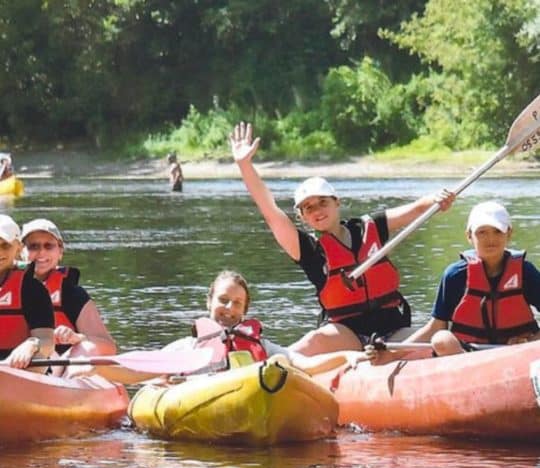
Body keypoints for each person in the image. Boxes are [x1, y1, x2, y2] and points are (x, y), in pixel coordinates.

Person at [230, 121, 456, 356]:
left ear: (337, 202)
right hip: (345, 337)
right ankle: (264, 359)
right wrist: (245, 165)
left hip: (392, 331)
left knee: (440, 339)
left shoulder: (371, 226)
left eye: (323, 202)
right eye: (308, 208)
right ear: (303, 217)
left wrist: (436, 200)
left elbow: (416, 209)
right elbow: (270, 211)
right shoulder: (309, 250)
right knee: (313, 341)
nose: (317, 211)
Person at [384, 201, 540, 360]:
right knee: (441, 339)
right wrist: (393, 354)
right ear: (469, 236)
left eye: (497, 232)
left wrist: (531, 340)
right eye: (482, 232)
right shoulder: (455, 275)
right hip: (468, 353)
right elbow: (436, 327)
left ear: (509, 234)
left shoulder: (526, 272)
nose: (490, 239)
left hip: (518, 351)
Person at [162, 269, 368, 375]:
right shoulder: (184, 348)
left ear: (245, 310)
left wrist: (347, 356)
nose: (230, 308)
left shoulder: (263, 347)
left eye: (237, 303)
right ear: (209, 301)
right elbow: (149, 378)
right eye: (223, 300)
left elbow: (305, 364)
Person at [20, 218, 117, 361]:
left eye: (49, 246)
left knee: (87, 347)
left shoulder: (72, 294)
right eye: (33, 246)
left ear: (60, 252)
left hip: (61, 368)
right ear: (19, 251)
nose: (41, 253)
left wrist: (76, 338)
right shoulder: (5, 287)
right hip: (11, 363)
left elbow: (109, 346)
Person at [0, 215, 55, 371]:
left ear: (18, 248)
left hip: (19, 369)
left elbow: (47, 341)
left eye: (5, 246)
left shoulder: (32, 289)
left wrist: (33, 344)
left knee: (37, 356)